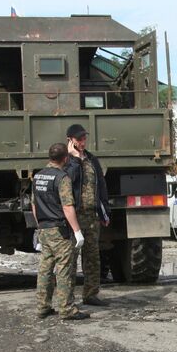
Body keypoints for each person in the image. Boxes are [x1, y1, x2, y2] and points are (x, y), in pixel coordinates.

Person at [32, 143, 89, 320]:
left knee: (45, 270)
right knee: (64, 269)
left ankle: (43, 307)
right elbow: (67, 207)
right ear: (65, 159)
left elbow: (34, 204)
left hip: (44, 229)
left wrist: (39, 225)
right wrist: (77, 231)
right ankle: (66, 309)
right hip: (60, 230)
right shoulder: (62, 178)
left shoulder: (38, 176)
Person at [64, 124, 112, 306]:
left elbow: (101, 184)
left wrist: (105, 210)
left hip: (92, 216)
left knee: (92, 257)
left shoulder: (92, 159)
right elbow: (69, 180)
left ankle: (91, 294)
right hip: (74, 218)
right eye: (79, 139)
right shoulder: (66, 160)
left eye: (84, 138)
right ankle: (67, 298)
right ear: (70, 140)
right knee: (70, 259)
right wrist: (75, 159)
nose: (82, 142)